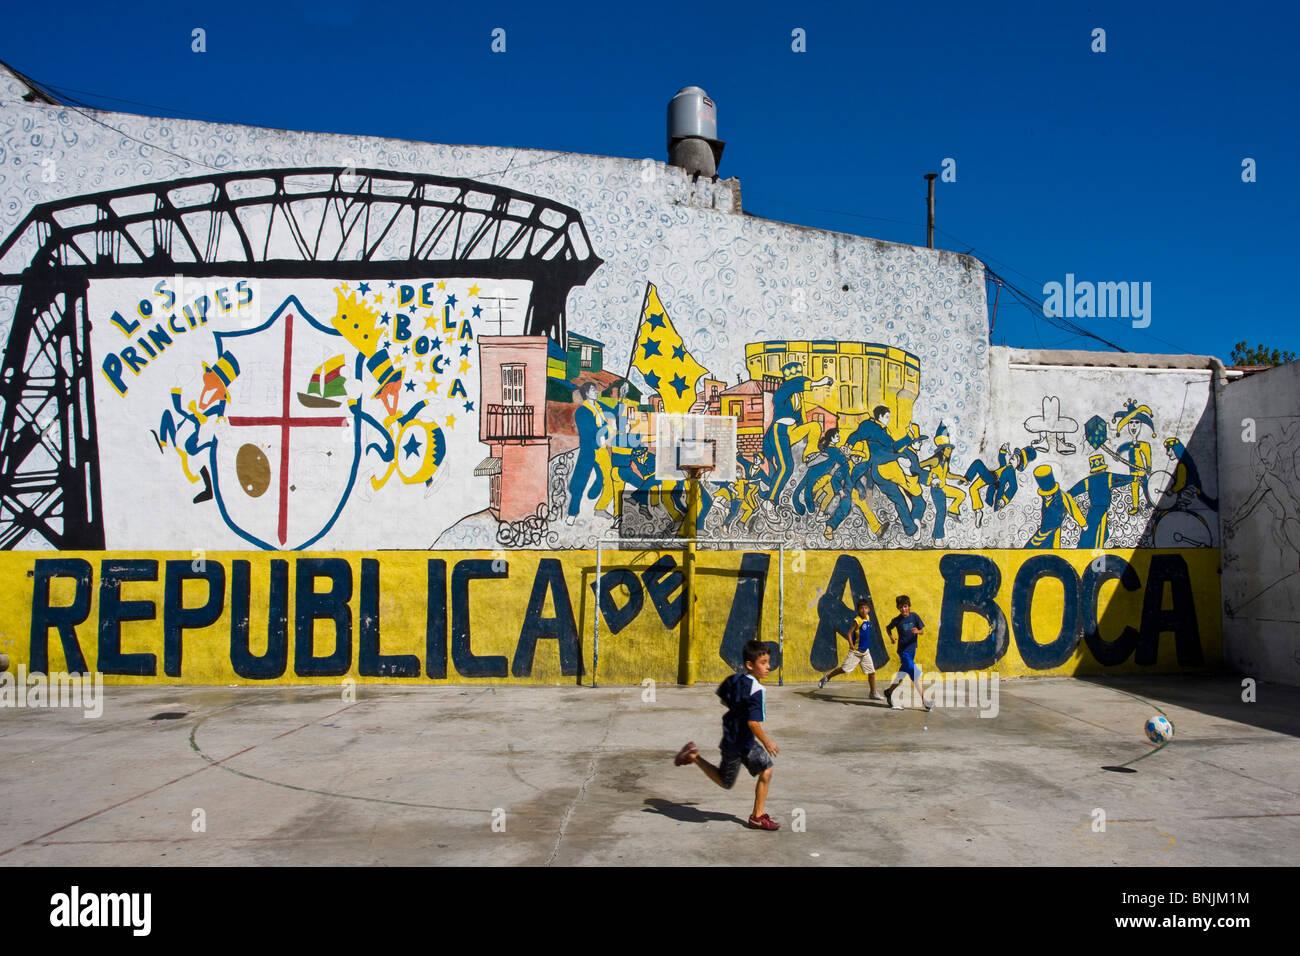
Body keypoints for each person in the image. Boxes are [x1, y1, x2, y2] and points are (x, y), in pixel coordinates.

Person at [674, 639, 781, 831]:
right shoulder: (757, 690)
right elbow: (753, 723)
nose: (768, 667)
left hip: (737, 736)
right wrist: (767, 742)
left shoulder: (734, 679)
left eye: (768, 662)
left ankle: (757, 817)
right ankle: (693, 756)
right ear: (750, 665)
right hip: (739, 741)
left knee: (766, 770)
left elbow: (724, 699)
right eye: (763, 663)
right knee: (726, 782)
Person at [816, 598, 883, 699]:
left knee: (872, 672)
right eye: (861, 608)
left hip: (865, 652)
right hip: (856, 652)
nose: (864, 610)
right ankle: (827, 677)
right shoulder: (857, 620)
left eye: (866, 608)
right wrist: (851, 645)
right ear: (858, 610)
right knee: (844, 669)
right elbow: (849, 633)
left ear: (869, 609)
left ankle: (873, 693)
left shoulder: (868, 618)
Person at [883, 595, 932, 711]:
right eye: (900, 607)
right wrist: (891, 638)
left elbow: (922, 631)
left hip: (912, 650)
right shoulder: (897, 620)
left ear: (909, 606)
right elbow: (888, 628)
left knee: (902, 674)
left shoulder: (914, 616)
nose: (903, 609)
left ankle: (889, 692)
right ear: (898, 608)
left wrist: (918, 631)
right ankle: (925, 700)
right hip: (903, 651)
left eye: (905, 606)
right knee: (915, 673)